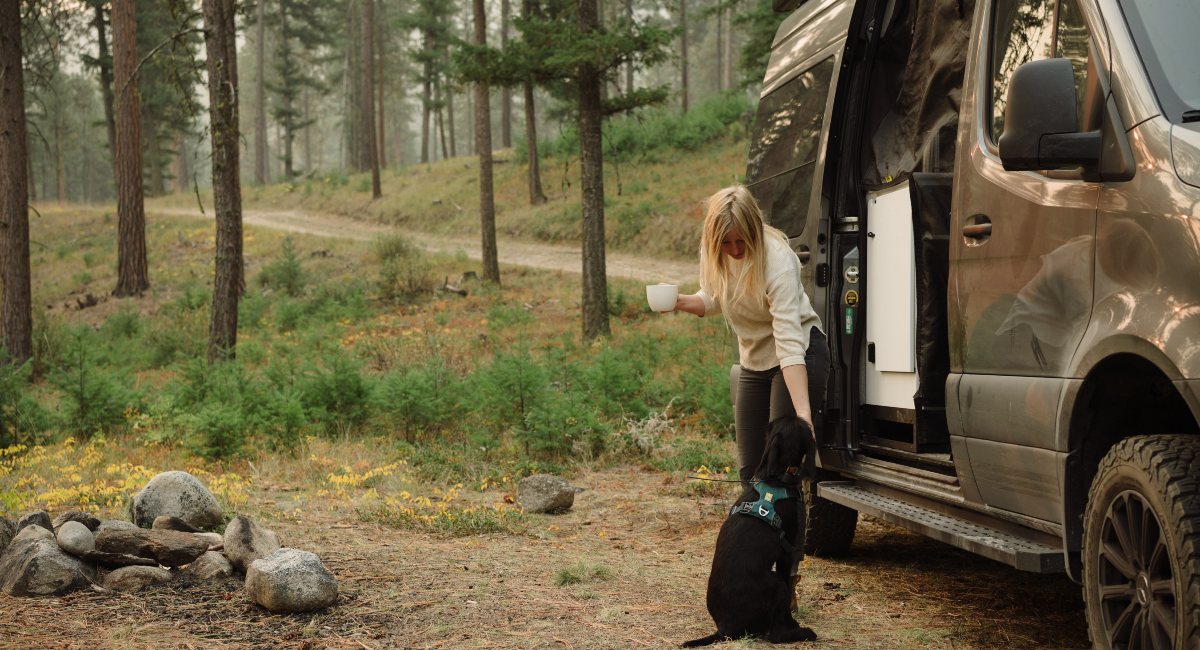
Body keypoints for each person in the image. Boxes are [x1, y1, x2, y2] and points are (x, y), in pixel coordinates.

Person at [666, 185, 830, 580]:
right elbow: (713, 297)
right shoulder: (717, 252)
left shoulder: (778, 260)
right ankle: (754, 567)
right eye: (726, 243)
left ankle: (788, 577)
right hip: (754, 360)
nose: (736, 250)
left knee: (781, 471)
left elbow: (789, 342)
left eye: (742, 241)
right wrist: (677, 301)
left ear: (755, 231)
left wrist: (803, 414)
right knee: (749, 472)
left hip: (798, 355)